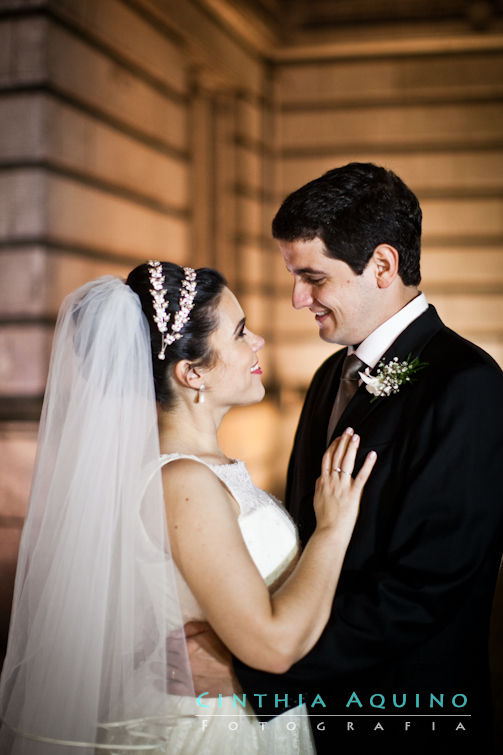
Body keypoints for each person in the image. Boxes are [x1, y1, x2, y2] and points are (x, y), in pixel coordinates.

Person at [0, 260, 376, 754]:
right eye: (240, 333)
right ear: (192, 372)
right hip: (210, 732)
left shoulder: (202, 470)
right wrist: (332, 528)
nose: (257, 343)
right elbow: (274, 645)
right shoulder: (183, 482)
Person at [192, 163, 503, 754]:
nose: (296, 299)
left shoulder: (469, 386)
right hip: (315, 719)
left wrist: (256, 671)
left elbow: (425, 589)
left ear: (382, 266)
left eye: (313, 278)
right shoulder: (331, 375)